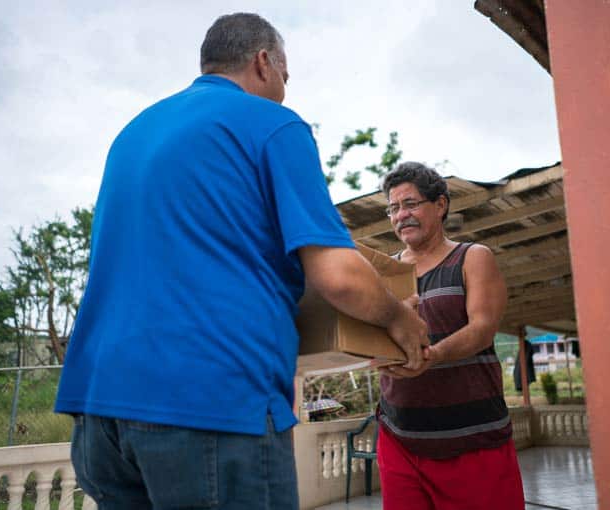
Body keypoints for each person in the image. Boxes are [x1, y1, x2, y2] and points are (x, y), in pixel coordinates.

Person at [54, 13, 428, 510]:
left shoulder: (133, 134)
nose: (284, 91)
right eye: (285, 78)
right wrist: (400, 319)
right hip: (210, 405)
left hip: (99, 412)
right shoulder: (272, 124)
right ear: (263, 63)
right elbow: (338, 277)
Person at [377, 162, 524, 510]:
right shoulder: (386, 270)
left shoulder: (472, 257)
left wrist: (434, 355)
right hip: (400, 437)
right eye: (394, 208)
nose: (402, 215)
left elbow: (482, 327)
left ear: (440, 205)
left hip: (473, 438)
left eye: (411, 204)